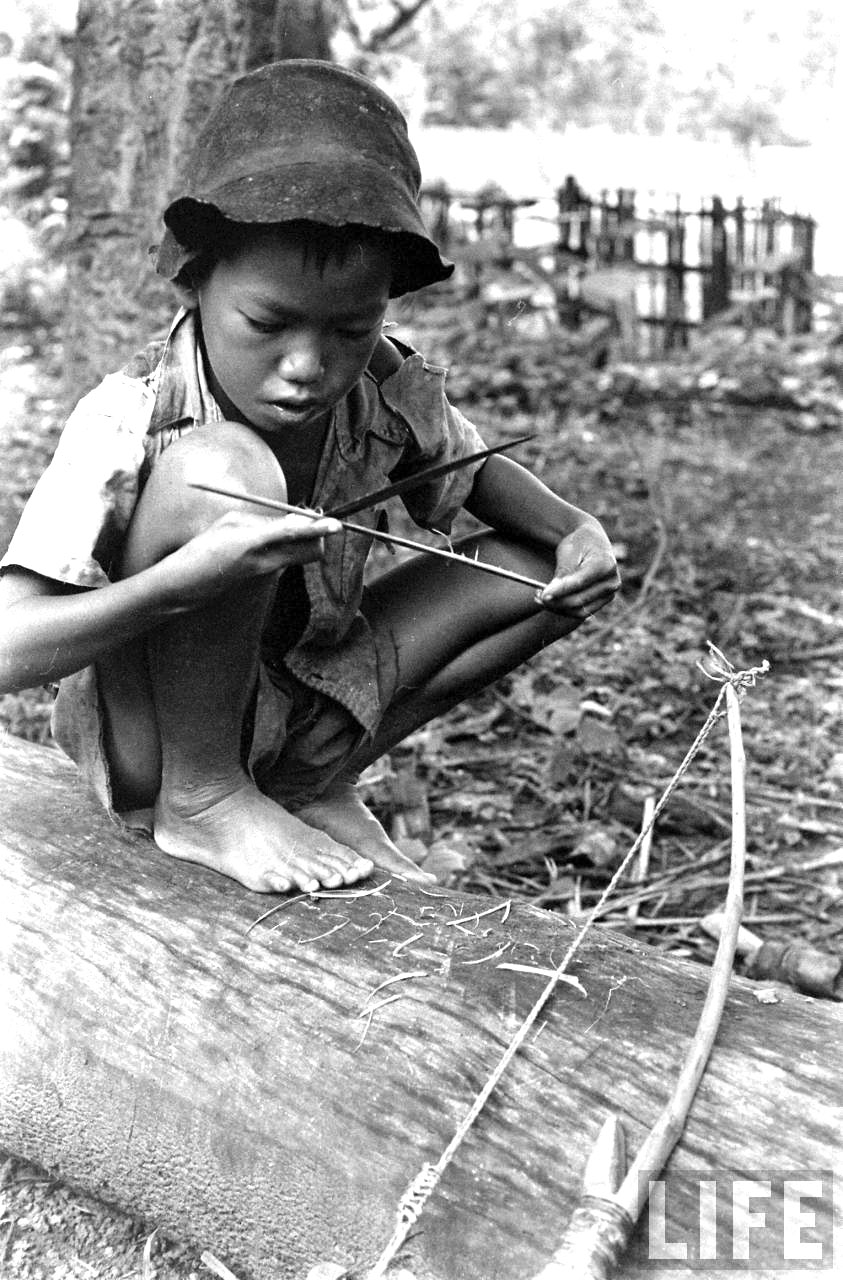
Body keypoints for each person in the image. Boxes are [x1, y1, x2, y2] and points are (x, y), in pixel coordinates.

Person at [0, 60, 620, 896]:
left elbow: (480, 479)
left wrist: (576, 531)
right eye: (267, 322)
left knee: (542, 572)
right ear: (195, 281)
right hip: (153, 748)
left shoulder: (381, 386)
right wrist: (176, 587)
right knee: (225, 467)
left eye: (350, 329)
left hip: (300, 708)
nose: (306, 366)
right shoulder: (128, 418)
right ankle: (206, 798)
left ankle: (306, 784)